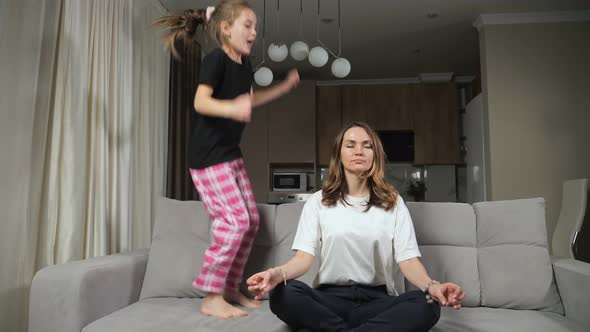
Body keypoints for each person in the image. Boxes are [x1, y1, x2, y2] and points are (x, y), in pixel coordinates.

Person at [155, 0, 299, 319]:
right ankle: (212, 294)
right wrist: (230, 109)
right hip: (207, 158)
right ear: (225, 28)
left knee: (250, 220)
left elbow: (247, 99)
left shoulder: (244, 65)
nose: (254, 32)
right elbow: (201, 102)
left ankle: (231, 287)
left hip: (229, 155)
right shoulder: (216, 59)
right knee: (233, 221)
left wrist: (281, 89)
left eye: (255, 27)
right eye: (247, 25)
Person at [247, 122, 465, 331]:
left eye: (367, 145)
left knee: (426, 304)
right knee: (283, 293)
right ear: (339, 155)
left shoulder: (393, 202)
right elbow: (303, 259)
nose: (358, 151)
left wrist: (432, 286)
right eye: (350, 145)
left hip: (377, 302)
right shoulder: (318, 201)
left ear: (375, 155)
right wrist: (276, 273)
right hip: (328, 300)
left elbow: (408, 260)